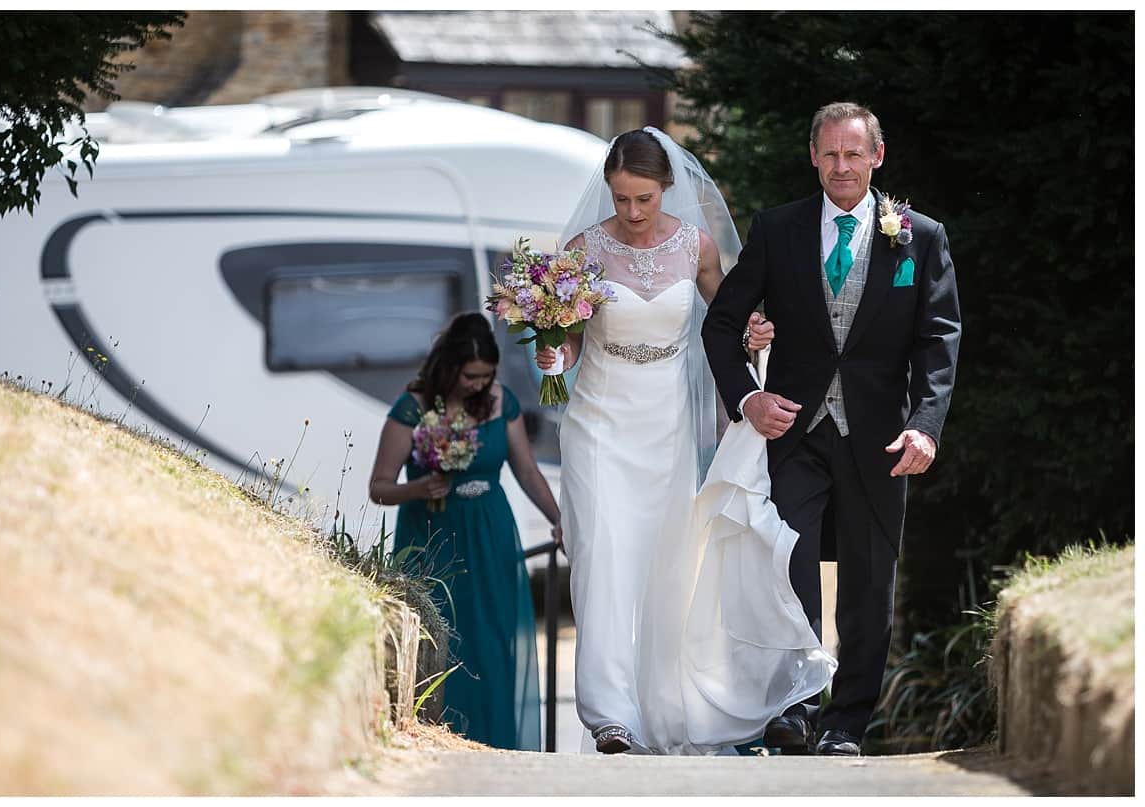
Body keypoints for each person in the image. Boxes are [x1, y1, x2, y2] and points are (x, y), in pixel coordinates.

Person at [537, 127, 835, 755]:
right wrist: (553, 356)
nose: (632, 211)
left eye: (643, 198)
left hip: (665, 424)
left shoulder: (695, 247)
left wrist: (756, 332)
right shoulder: (583, 250)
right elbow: (567, 339)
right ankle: (608, 715)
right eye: (620, 198)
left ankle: (659, 704)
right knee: (602, 559)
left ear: (664, 189)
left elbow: (725, 321)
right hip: (597, 419)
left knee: (661, 562)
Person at [702, 101, 962, 756]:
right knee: (789, 564)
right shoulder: (778, 229)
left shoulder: (919, 237)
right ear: (814, 157)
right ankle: (793, 711)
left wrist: (926, 424)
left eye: (854, 154)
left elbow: (938, 340)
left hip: (880, 436)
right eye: (830, 154)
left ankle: (846, 725)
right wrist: (748, 397)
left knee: (870, 583)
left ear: (876, 157)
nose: (842, 166)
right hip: (795, 430)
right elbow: (721, 324)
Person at [369, 312, 563, 751]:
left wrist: (558, 518)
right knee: (444, 649)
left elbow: (527, 471)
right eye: (471, 375)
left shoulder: (501, 401)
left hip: (491, 536)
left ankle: (496, 748)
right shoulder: (413, 407)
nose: (479, 384)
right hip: (433, 539)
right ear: (450, 366)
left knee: (493, 646)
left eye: (486, 375)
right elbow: (378, 487)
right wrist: (419, 488)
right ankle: (443, 746)